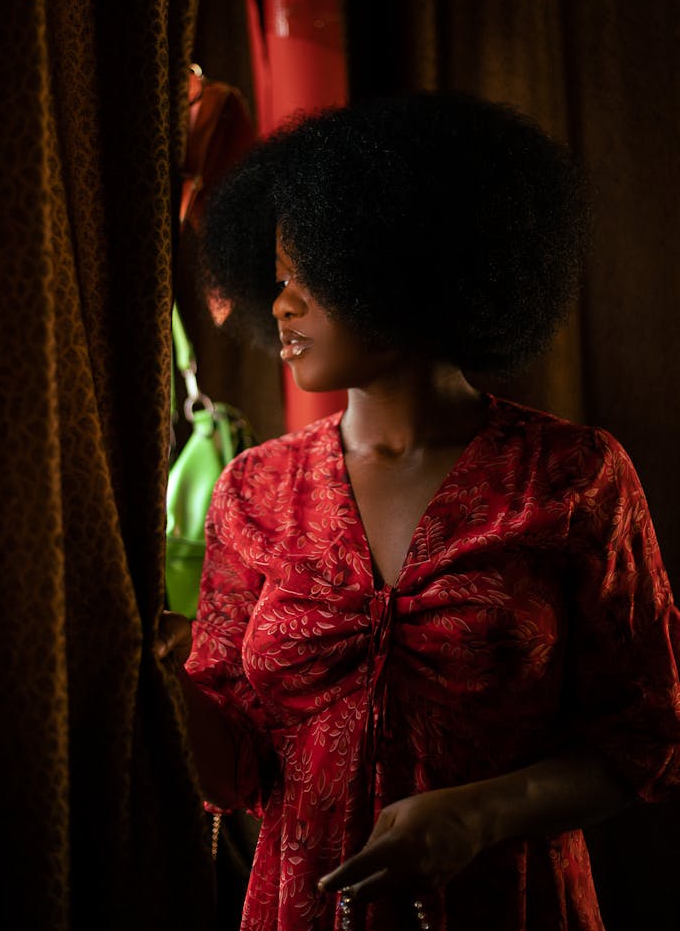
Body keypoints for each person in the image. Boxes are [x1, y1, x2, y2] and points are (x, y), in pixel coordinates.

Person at [154, 92, 680, 930]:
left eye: (311, 270)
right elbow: (234, 777)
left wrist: (480, 815)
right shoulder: (254, 492)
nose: (282, 303)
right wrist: (159, 670)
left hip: (511, 908)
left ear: (407, 262)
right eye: (278, 276)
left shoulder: (575, 479)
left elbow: (645, 736)